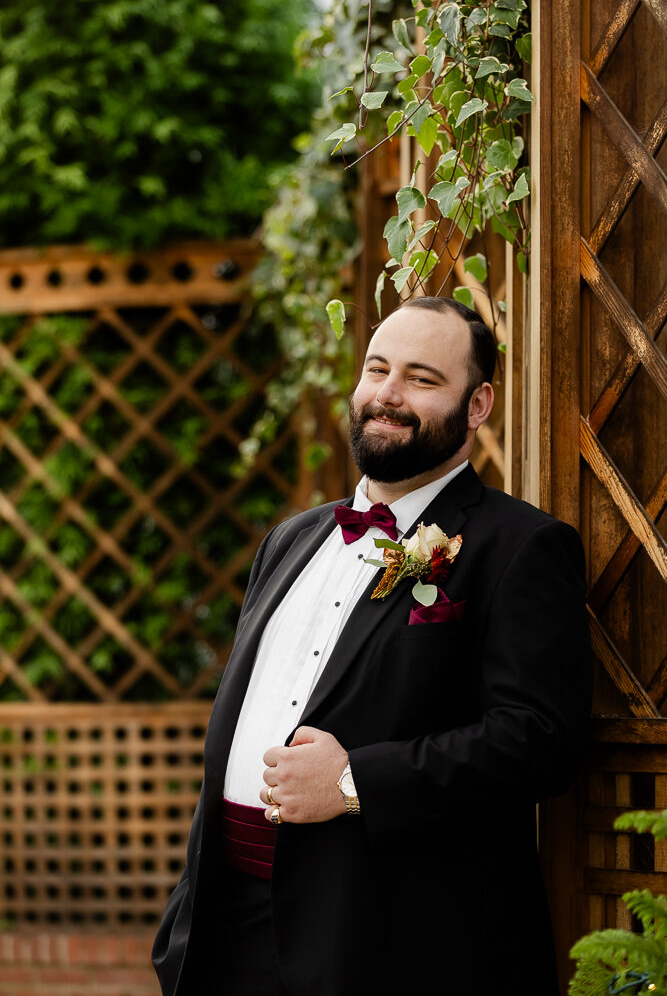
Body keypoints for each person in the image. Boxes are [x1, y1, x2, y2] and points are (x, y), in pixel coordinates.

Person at [152, 296, 591, 996]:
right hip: (223, 931)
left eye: (420, 378)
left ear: (477, 405)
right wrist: (184, 921)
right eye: (376, 368)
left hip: (384, 945)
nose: (386, 395)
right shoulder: (290, 540)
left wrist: (353, 781)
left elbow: (540, 739)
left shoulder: (520, 547)